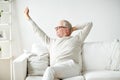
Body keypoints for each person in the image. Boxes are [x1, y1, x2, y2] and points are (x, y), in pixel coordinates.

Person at [24, 7, 93, 80]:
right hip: (57, 69)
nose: (56, 29)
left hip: (72, 66)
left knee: (49, 70)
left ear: (66, 29)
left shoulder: (77, 39)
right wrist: (28, 18)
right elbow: (37, 31)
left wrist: (72, 29)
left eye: (58, 27)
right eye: (56, 28)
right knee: (51, 71)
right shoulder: (51, 41)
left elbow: (89, 24)